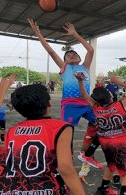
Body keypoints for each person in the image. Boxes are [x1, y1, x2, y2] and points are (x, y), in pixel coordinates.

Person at [27, 18, 98, 181]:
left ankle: (86, 155)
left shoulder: (85, 66)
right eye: (68, 55)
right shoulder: (64, 67)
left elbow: (91, 50)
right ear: (64, 60)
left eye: (74, 54)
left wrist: (75, 34)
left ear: (80, 59)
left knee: (102, 123)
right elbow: (51, 51)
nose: (71, 55)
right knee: (66, 135)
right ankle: (63, 165)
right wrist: (38, 34)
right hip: (71, 104)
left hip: (88, 102)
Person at [0, 84, 85, 195]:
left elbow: (7, 165)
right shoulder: (60, 128)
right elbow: (65, 168)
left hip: (9, 189)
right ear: (48, 103)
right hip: (45, 188)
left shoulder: (12, 130)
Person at [75, 73, 126, 195]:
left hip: (105, 142)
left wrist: (80, 81)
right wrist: (118, 82)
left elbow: (84, 95)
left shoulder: (96, 107)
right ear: (110, 96)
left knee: (112, 165)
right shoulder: (120, 104)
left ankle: (102, 189)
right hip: (121, 141)